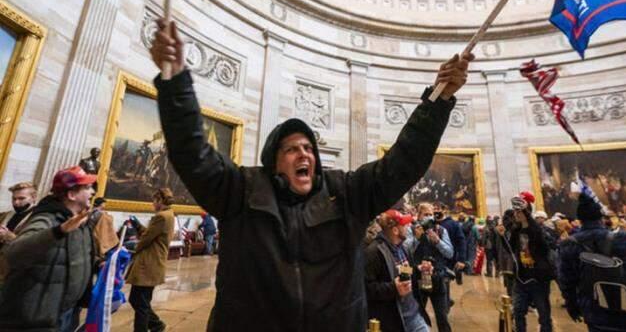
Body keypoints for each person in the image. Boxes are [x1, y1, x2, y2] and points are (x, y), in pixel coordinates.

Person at [150, 19, 473, 331]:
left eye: (308, 148)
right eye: (291, 149)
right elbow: (192, 153)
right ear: (273, 161)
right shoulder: (241, 190)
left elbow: (404, 160)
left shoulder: (346, 193)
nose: (304, 153)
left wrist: (439, 98)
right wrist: (175, 80)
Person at [0, 166, 96, 331]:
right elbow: (14, 253)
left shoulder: (79, 219)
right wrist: (58, 231)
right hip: (38, 318)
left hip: (65, 311)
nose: (92, 192)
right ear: (72, 195)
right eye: (87, 188)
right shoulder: (47, 219)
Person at [557, 191, 626, 332]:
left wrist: (572, 306)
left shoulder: (568, 245)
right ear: (601, 218)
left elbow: (566, 282)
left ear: (580, 219)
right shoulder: (624, 239)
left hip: (594, 310)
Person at [365, 210, 432, 332]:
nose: (408, 228)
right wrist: (393, 288)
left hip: (414, 316)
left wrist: (418, 269)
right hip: (394, 321)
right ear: (395, 230)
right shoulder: (373, 252)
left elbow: (405, 273)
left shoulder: (403, 248)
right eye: (404, 225)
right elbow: (366, 289)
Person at [498, 191, 555, 332]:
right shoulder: (516, 230)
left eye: (519, 212)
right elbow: (511, 249)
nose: (515, 214)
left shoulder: (537, 230)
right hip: (521, 278)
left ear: (526, 212)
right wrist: (502, 236)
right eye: (515, 212)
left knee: (544, 315)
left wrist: (525, 211)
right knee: (518, 312)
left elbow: (543, 244)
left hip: (538, 279)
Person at [126, 188, 176, 332]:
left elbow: (146, 240)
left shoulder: (161, 216)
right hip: (153, 263)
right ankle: (156, 324)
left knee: (140, 302)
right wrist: (137, 225)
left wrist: (132, 249)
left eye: (154, 200)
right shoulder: (169, 215)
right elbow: (151, 234)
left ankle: (150, 326)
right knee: (139, 300)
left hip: (149, 264)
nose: (153, 204)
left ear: (160, 200)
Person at [413, 206, 455, 332]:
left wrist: (438, 242)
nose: (428, 217)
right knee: (417, 316)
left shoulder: (441, 231)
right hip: (420, 278)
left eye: (431, 214)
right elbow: (406, 251)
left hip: (438, 277)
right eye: (425, 214)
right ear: (419, 216)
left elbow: (450, 253)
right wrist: (417, 239)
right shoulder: (413, 230)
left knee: (442, 316)